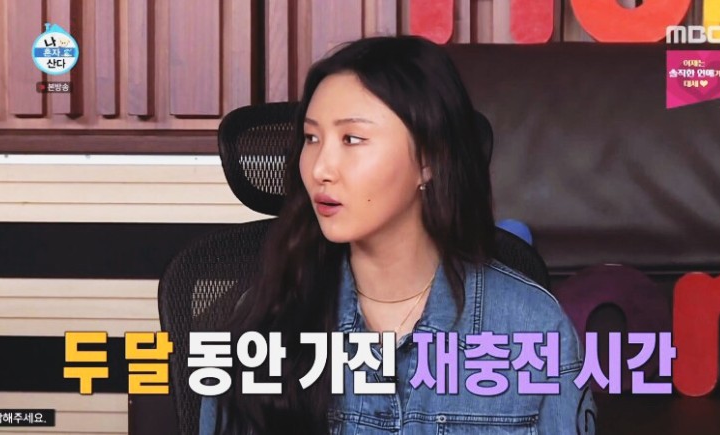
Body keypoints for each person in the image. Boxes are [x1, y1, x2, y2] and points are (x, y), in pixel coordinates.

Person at [202, 35, 595, 435]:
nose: (320, 168)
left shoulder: (532, 327)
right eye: (311, 138)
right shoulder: (265, 317)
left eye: (351, 139)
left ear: (428, 159)